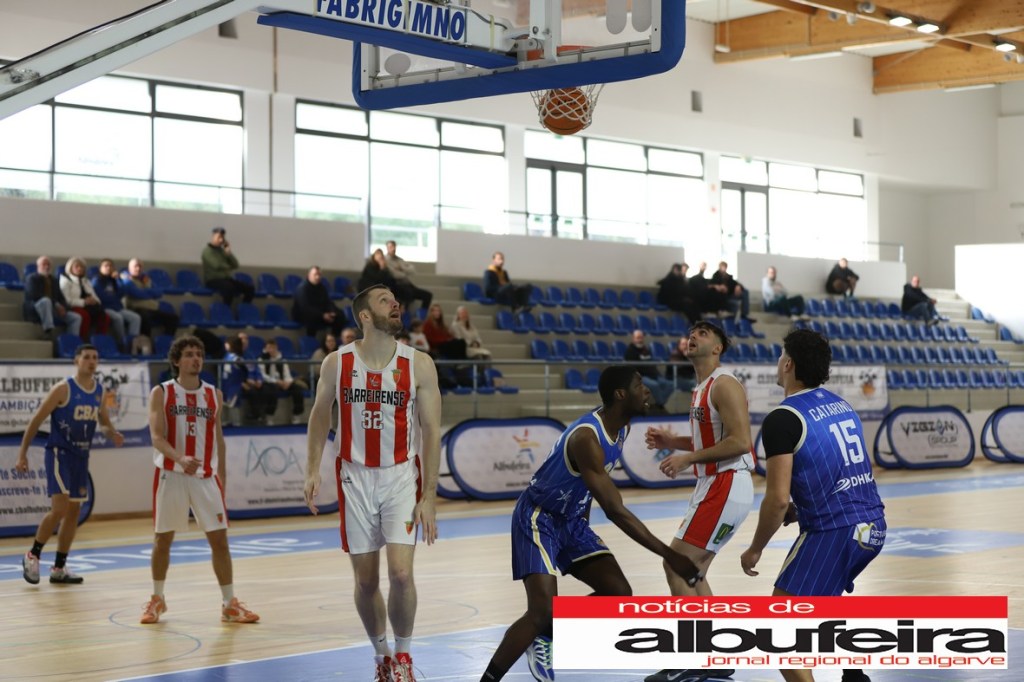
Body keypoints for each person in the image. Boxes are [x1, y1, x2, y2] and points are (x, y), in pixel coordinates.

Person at [480, 367, 703, 682]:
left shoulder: (621, 429)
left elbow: (589, 486)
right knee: (541, 610)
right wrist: (670, 555)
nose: (648, 390)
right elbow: (615, 510)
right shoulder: (587, 437)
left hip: (572, 521)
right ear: (620, 394)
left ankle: (547, 633)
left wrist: (580, 529)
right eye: (640, 385)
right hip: (539, 517)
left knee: (618, 593)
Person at [304, 284, 442, 682]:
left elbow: (432, 431)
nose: (395, 304)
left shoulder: (419, 364)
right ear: (365, 315)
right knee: (366, 581)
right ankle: (382, 656)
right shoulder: (337, 362)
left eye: (395, 300)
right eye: (385, 301)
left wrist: (429, 495)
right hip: (355, 478)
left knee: (401, 574)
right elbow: (320, 415)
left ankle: (404, 656)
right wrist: (312, 468)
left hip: (401, 477)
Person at [740, 329, 886, 682]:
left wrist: (756, 548)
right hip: (873, 526)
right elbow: (842, 471)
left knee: (779, 630)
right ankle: (855, 674)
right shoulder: (841, 405)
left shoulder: (783, 418)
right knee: (822, 596)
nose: (778, 361)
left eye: (780, 355)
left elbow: (776, 500)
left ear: (788, 363)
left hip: (835, 531)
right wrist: (804, 507)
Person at [643, 320, 756, 682]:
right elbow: (709, 440)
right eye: (692, 332)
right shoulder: (702, 388)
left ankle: (693, 656)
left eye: (704, 333)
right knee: (694, 571)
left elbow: (740, 441)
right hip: (717, 484)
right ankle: (717, 654)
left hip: (726, 482)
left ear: (718, 348)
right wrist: (672, 442)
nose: (693, 336)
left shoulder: (724, 384)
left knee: (676, 565)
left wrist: (688, 458)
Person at [140, 335, 259, 625]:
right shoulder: (162, 392)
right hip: (171, 473)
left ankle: (229, 604)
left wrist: (223, 478)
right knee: (163, 539)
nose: (196, 359)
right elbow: (156, 437)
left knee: (220, 540)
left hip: (206, 477)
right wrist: (180, 458)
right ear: (176, 360)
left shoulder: (213, 395)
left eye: (199, 354)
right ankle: (157, 598)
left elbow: (219, 440)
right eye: (189, 354)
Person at [16, 344, 125, 585]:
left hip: (81, 457)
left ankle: (59, 567)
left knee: (74, 512)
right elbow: (36, 420)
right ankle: (32, 554)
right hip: (59, 453)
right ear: (76, 360)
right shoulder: (63, 388)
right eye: (86, 357)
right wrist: (22, 454)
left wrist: (113, 434)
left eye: (95, 357)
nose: (91, 361)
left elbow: (104, 424)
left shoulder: (99, 391)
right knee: (60, 509)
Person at [23, 255, 82, 339]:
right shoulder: (31, 279)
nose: (47, 267)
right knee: (46, 301)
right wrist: (56, 304)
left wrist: (63, 307)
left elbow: (61, 297)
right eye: (44, 264)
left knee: (76, 317)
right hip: (36, 308)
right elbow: (34, 295)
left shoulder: (54, 280)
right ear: (38, 266)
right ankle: (48, 331)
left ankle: (71, 340)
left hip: (53, 309)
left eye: (48, 265)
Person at [92, 258, 142, 352]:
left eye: (110, 266)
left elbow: (122, 293)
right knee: (118, 318)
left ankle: (132, 342)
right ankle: (122, 343)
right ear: (100, 268)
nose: (108, 268)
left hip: (118, 308)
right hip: (105, 308)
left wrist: (118, 279)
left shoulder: (114, 280)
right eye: (106, 266)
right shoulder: (97, 281)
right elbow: (101, 297)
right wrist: (114, 297)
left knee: (136, 318)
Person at [222, 335, 275, 425]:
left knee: (234, 404)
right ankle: (226, 422)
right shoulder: (228, 356)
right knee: (227, 403)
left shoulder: (239, 359)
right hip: (228, 384)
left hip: (236, 384)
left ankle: (237, 423)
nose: (226, 345)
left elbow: (247, 370)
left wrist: (249, 380)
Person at [121, 258, 179, 337]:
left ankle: (166, 340)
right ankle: (146, 340)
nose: (138, 268)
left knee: (173, 318)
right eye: (135, 266)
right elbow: (137, 293)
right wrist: (150, 292)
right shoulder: (126, 279)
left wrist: (145, 292)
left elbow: (159, 292)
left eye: (140, 266)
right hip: (137, 309)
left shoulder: (146, 279)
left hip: (152, 309)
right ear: (129, 268)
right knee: (145, 318)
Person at [59, 256, 110, 341]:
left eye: (81, 267)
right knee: (84, 316)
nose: (79, 269)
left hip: (89, 306)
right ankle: (83, 341)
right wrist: (84, 302)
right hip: (73, 307)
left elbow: (95, 297)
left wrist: (94, 301)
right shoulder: (65, 281)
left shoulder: (86, 281)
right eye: (77, 266)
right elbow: (67, 301)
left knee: (105, 317)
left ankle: (100, 341)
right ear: (70, 268)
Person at [202, 226, 255, 305]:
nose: (220, 240)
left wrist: (228, 253)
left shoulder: (222, 251)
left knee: (250, 289)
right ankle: (226, 309)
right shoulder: (207, 251)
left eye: (222, 237)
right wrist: (229, 266)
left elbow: (235, 264)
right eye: (218, 237)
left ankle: (244, 308)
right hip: (213, 280)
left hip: (226, 279)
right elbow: (217, 265)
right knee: (229, 288)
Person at [260, 338, 307, 425]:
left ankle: (296, 415)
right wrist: (277, 382)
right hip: (270, 383)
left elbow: (287, 374)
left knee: (297, 389)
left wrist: (287, 382)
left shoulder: (282, 359)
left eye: (273, 348)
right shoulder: (261, 360)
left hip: (283, 382)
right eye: (269, 348)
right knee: (271, 390)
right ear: (265, 349)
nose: (271, 350)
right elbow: (263, 376)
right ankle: (270, 416)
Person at [624, 329, 673, 411]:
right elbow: (632, 369)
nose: (640, 340)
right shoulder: (629, 351)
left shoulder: (646, 350)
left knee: (670, 384)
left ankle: (660, 403)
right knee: (655, 385)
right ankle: (660, 405)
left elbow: (652, 364)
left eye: (641, 337)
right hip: (642, 376)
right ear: (633, 339)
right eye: (638, 338)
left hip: (654, 375)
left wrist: (657, 374)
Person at [292, 265, 346, 338]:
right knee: (312, 319)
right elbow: (305, 308)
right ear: (309, 275)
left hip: (321, 314)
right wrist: (322, 315)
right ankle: (311, 340)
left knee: (340, 315)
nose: (317, 277)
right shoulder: (302, 288)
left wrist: (331, 312)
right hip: (304, 315)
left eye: (319, 275)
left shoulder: (321, 287)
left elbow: (328, 302)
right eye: (315, 274)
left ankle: (334, 339)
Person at [385, 240, 433, 312]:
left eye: (394, 246)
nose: (393, 249)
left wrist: (401, 268)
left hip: (408, 285)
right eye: (391, 247)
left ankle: (421, 316)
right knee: (408, 295)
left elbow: (413, 270)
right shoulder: (386, 260)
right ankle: (406, 316)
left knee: (428, 295)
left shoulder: (400, 260)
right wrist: (405, 272)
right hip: (397, 286)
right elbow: (395, 274)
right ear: (387, 248)